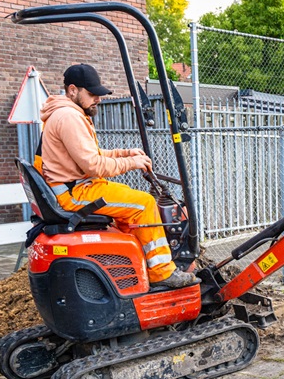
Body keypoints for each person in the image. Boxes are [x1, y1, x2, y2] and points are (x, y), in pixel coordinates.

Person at [38, 63, 197, 289]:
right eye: (92, 94)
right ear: (72, 90)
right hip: (76, 192)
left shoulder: (67, 113)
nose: (98, 99)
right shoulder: (69, 117)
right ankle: (161, 272)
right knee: (144, 203)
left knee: (132, 205)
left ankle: (139, 264)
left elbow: (91, 155)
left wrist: (125, 153)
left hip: (78, 185)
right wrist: (131, 163)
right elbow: (93, 164)